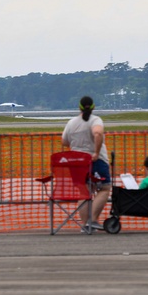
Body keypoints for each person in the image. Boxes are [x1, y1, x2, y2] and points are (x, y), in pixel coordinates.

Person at [61, 95, 111, 234]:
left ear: (79, 107)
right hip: (95, 161)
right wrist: (95, 152)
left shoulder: (71, 123)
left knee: (84, 192)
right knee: (105, 188)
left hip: (77, 163)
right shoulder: (95, 120)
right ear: (93, 107)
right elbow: (98, 133)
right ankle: (92, 220)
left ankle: (85, 225)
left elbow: (64, 141)